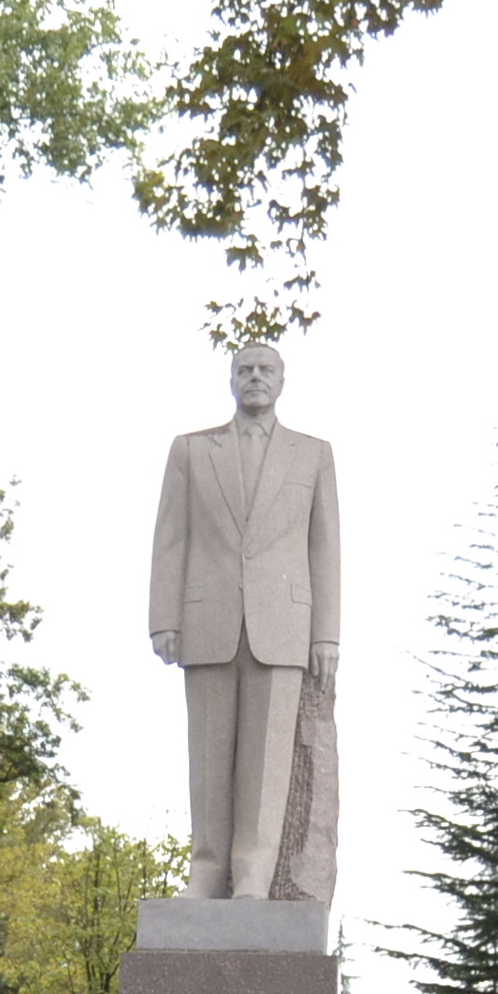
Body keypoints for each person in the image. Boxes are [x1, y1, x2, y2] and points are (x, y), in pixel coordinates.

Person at [146, 340, 342, 901]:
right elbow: (170, 537)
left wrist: (326, 633)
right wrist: (164, 616)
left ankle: (254, 873)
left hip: (283, 627)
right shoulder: (191, 450)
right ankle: (206, 870)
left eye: (266, 370)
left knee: (267, 759)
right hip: (207, 621)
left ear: (282, 382)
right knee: (208, 755)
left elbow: (324, 547)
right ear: (231, 381)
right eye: (244, 370)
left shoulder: (313, 454)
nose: (255, 377)